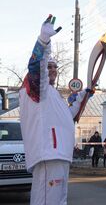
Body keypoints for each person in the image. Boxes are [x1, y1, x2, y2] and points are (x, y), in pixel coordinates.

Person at [19, 15, 89, 205]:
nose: (53, 70)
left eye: (55, 68)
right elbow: (36, 66)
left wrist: (84, 94)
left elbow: (67, 116)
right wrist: (43, 41)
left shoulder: (51, 93)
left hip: (60, 156)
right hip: (48, 154)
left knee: (59, 201)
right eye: (49, 67)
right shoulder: (34, 87)